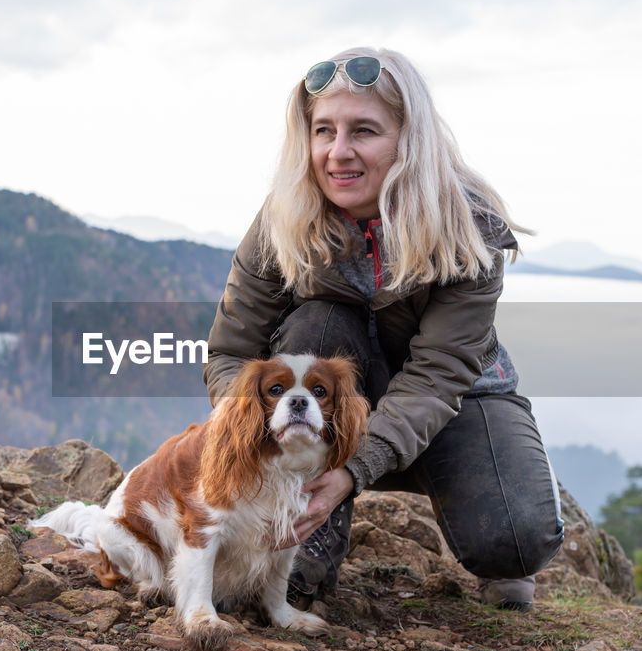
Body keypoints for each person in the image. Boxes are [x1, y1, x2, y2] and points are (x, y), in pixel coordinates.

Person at [203, 47, 563, 611]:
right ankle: (299, 563)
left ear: (407, 138)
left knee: (513, 541)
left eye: (363, 131)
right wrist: (253, 429)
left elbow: (439, 375)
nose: (338, 153)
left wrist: (354, 469)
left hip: (453, 402)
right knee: (316, 331)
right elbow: (231, 353)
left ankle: (477, 519)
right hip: (325, 403)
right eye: (324, 131)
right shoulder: (285, 217)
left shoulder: (470, 225)